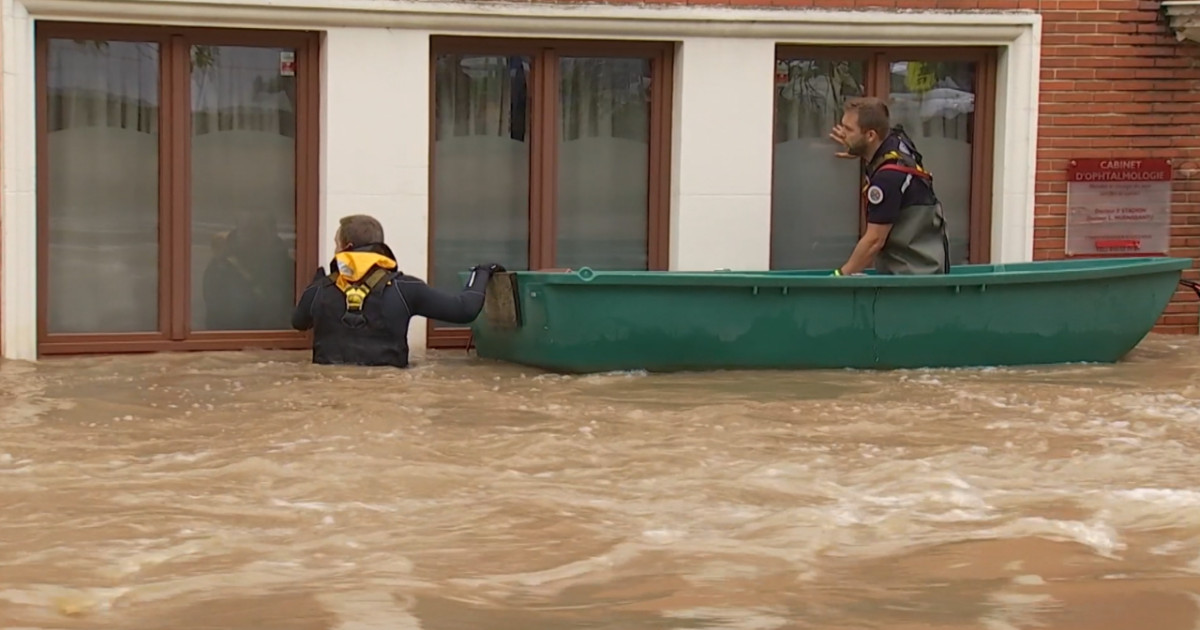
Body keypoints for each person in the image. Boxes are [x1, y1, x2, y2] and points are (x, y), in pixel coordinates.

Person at [291, 214, 505, 368]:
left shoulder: (319, 290)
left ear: (346, 248)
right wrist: (482, 272)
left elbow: (299, 323)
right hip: (389, 395)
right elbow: (464, 309)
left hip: (330, 394)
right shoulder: (405, 289)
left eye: (336, 244)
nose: (335, 250)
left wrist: (313, 287)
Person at [827, 96, 950, 276]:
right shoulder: (896, 142)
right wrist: (858, 148)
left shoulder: (888, 178)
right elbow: (879, 148)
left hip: (911, 278)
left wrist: (839, 276)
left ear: (870, 135)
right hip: (927, 268)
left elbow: (874, 241)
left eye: (848, 129)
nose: (843, 134)